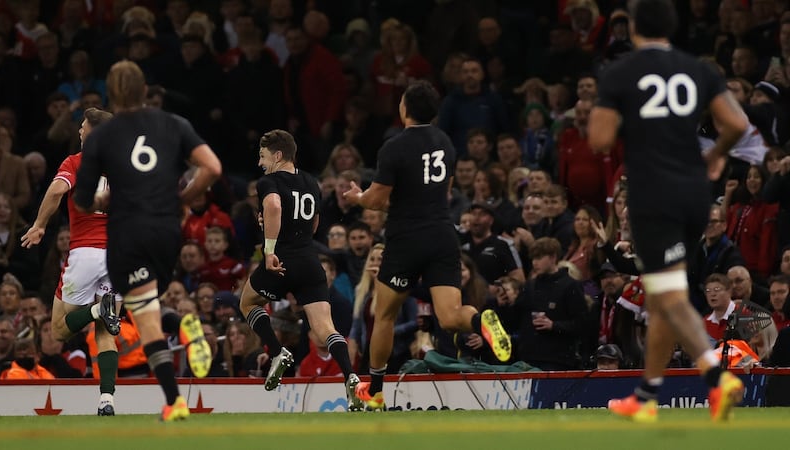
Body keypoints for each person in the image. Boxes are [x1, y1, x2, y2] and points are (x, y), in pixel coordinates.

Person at [587, 0, 750, 423]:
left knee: (669, 295)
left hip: (652, 195)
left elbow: (600, 139)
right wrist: (715, 155)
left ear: (635, 29)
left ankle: (716, 375)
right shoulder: (698, 68)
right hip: (695, 193)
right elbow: (735, 123)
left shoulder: (622, 71)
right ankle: (646, 397)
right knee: (662, 296)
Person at [343, 80, 511, 411]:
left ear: (405, 108)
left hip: (406, 238)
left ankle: (375, 391)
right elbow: (443, 189)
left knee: (385, 314)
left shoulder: (394, 146)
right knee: (449, 317)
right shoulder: (445, 142)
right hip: (442, 234)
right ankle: (480, 321)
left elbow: (376, 202)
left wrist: (357, 197)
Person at [72, 61, 220, 422]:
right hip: (169, 232)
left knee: (145, 315)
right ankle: (178, 326)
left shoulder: (102, 136)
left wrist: (103, 201)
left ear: (112, 92)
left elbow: (83, 199)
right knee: (148, 301)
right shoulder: (174, 124)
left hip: (129, 233)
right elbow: (212, 168)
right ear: (144, 90)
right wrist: (183, 200)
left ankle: (175, 397)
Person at [238, 129, 362, 411]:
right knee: (326, 328)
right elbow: (314, 222)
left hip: (281, 260)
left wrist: (269, 249)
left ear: (278, 155)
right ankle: (350, 376)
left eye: (263, 156)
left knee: (247, 301)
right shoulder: (311, 182)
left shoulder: (268, 181)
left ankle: (276, 351)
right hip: (310, 259)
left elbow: (273, 206)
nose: (260, 163)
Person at [20, 107, 121, 416]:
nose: (78, 131)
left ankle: (94, 308)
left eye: (82, 127)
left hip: (85, 253)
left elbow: (56, 191)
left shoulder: (76, 162)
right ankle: (107, 400)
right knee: (106, 329)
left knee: (60, 330)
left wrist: (39, 225)